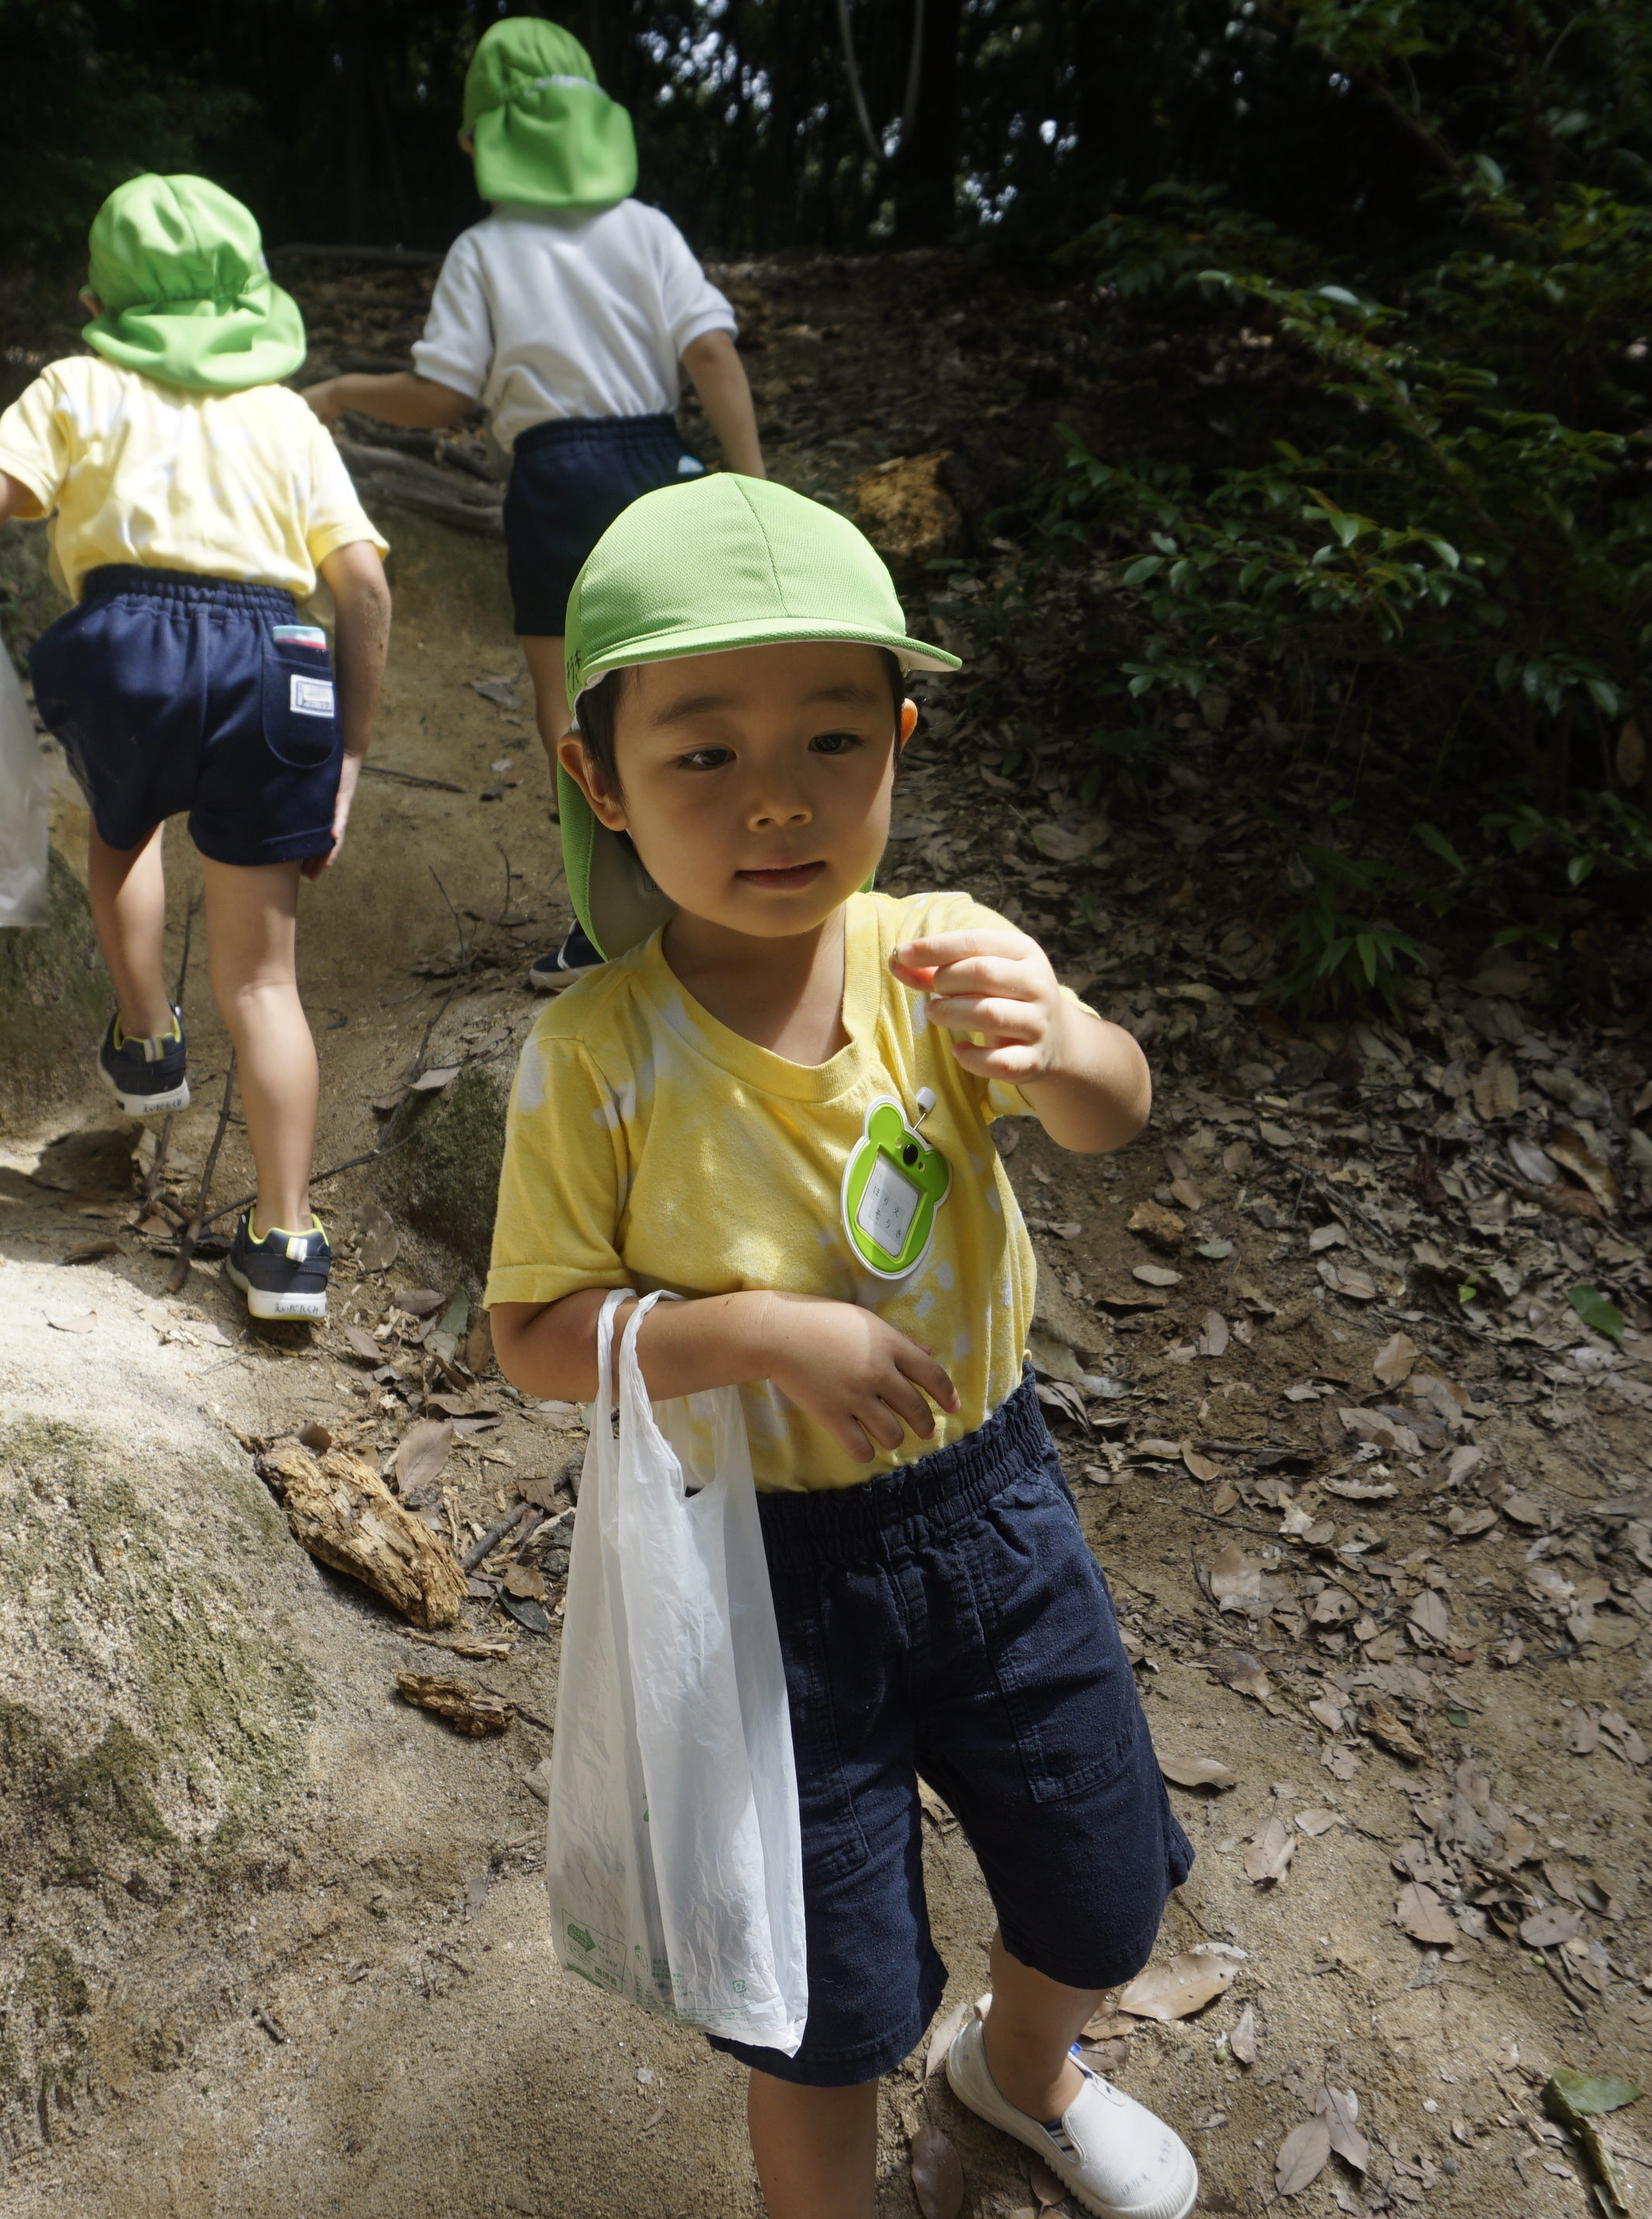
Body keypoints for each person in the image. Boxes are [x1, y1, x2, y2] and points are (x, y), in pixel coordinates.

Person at [486, 475, 1197, 2219]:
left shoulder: (932, 955)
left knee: (1099, 1874)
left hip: (996, 1513)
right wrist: (746, 1334)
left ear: (898, 739)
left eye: (831, 739)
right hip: (762, 1577)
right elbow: (533, 1338)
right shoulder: (596, 1054)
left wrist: (1066, 1040)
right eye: (703, 753)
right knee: (815, 2002)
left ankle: (1021, 2073)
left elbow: (1113, 1113)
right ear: (599, 775)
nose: (777, 798)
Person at [0, 173, 389, 1324]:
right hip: (277, 660)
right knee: (264, 981)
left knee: (124, 828)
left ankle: (147, 1041)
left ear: (99, 300)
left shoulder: (76, 386)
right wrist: (347, 755)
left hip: (128, 647)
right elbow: (365, 589)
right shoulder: (288, 417)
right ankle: (288, 1245)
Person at [300, 15, 761, 994]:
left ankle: (610, 919)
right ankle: (726, 889)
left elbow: (444, 397)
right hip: (660, 466)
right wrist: (756, 487)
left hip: (553, 481)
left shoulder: (483, 249)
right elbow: (710, 350)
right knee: (692, 680)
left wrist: (339, 392)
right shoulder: (647, 228)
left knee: (571, 704)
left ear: (489, 139)